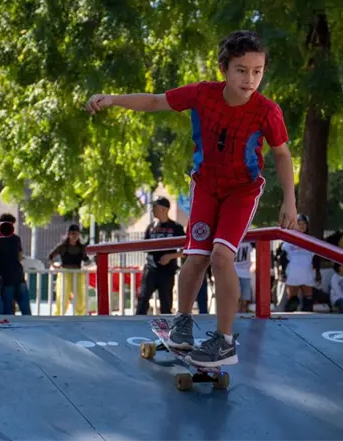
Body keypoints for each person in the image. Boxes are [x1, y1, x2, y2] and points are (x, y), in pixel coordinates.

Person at [85, 29, 297, 367]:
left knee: (221, 257)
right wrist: (111, 98)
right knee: (195, 256)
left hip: (242, 191)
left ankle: (224, 341)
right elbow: (155, 101)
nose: (250, 79)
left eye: (258, 71)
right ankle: (182, 324)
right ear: (224, 69)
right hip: (205, 187)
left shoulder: (267, 111)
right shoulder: (202, 94)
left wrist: (290, 200)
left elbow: (283, 155)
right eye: (241, 70)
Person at [136, 198, 185, 315]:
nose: (152, 210)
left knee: (166, 303)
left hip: (167, 271)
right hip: (151, 269)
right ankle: (137, 325)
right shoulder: (151, 227)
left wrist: (171, 256)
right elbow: (144, 246)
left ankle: (166, 329)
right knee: (142, 299)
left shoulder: (176, 228)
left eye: (155, 207)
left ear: (164, 209)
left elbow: (186, 250)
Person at [279, 214, 321, 312]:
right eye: (299, 223)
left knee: (308, 301)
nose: (301, 226)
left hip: (307, 272)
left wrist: (318, 273)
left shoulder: (312, 240)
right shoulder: (288, 239)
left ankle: (307, 324)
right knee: (292, 301)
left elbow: (316, 258)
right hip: (293, 272)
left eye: (304, 224)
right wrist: (283, 272)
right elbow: (283, 258)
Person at [48, 224, 91, 315]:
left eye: (76, 233)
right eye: (72, 233)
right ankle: (59, 316)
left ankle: (80, 316)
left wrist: (88, 264)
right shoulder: (62, 247)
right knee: (62, 296)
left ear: (78, 234)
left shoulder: (81, 247)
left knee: (80, 297)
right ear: (68, 234)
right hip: (65, 273)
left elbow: (86, 259)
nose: (74, 236)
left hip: (78, 273)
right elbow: (50, 256)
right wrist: (54, 265)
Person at [0, 213, 31, 315]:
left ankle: (9, 327)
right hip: (18, 274)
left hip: (5, 276)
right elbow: (19, 256)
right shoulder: (15, 238)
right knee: (24, 306)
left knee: (8, 306)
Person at [234, 242, 254, 313]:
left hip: (245, 273)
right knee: (236, 300)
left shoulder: (250, 241)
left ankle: (241, 316)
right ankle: (234, 318)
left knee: (244, 301)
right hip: (235, 272)